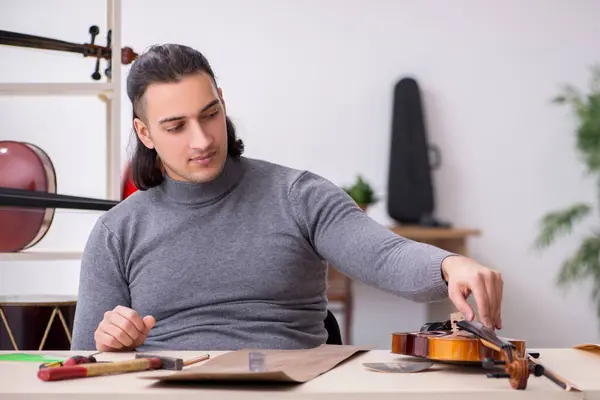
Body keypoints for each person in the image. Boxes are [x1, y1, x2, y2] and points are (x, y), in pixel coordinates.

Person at [70, 44, 503, 352]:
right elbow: (84, 363)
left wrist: (449, 266)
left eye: (209, 115)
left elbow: (383, 255)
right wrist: (110, 344)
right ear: (145, 133)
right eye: (176, 126)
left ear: (222, 102)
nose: (202, 139)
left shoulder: (297, 195)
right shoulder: (117, 230)